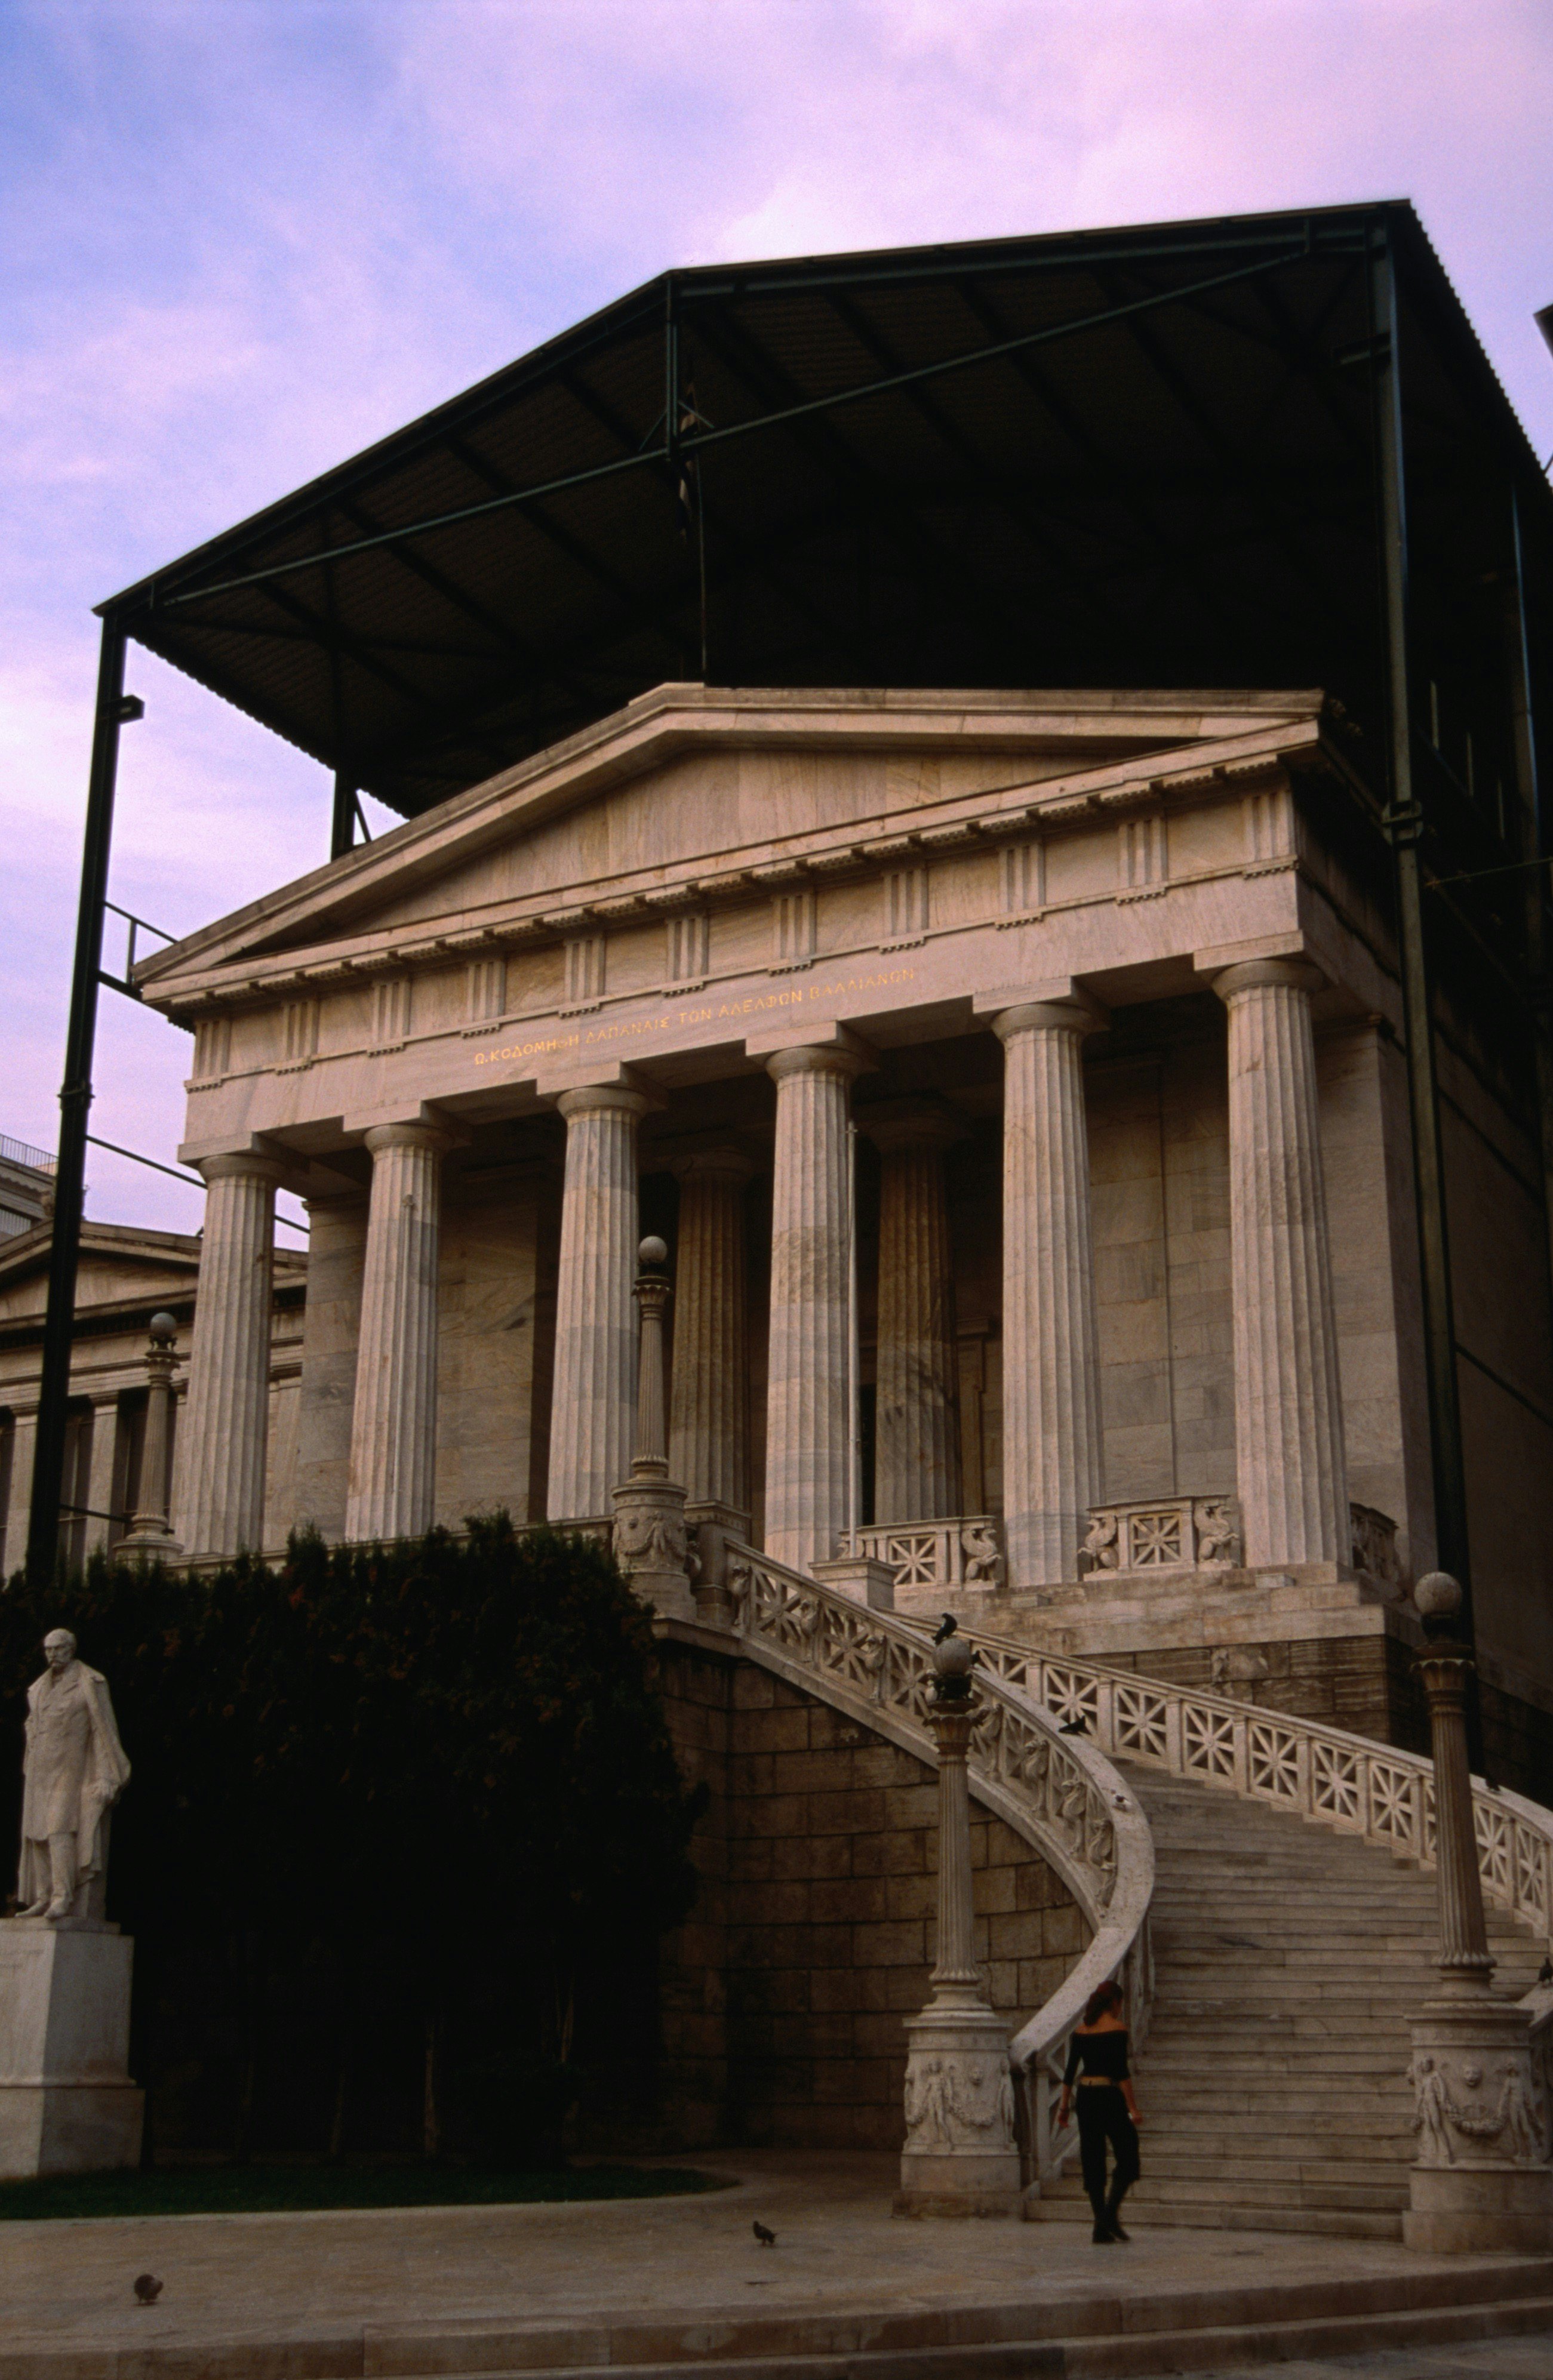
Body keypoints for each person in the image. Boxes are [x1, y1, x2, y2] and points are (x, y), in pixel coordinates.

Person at [13, 1630, 131, 1923]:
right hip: (39, 1771)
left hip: (71, 1771)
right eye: (48, 1650)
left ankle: (62, 1896)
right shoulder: (38, 1687)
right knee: (36, 1833)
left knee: (59, 1830)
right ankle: (43, 1896)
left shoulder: (89, 1682)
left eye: (58, 1649)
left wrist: (106, 1775)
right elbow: (33, 1720)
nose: (53, 1654)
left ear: (71, 1649)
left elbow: (102, 1730)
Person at [1056, 1976, 1142, 2242]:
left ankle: (1101, 2225)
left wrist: (1063, 2109)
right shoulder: (1118, 2029)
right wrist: (1133, 2109)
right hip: (1108, 2095)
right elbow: (1121, 2073)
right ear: (1115, 2002)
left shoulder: (1081, 2032)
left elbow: (1069, 2075)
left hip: (1086, 2097)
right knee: (1128, 2155)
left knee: (1093, 2159)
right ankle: (1107, 2218)